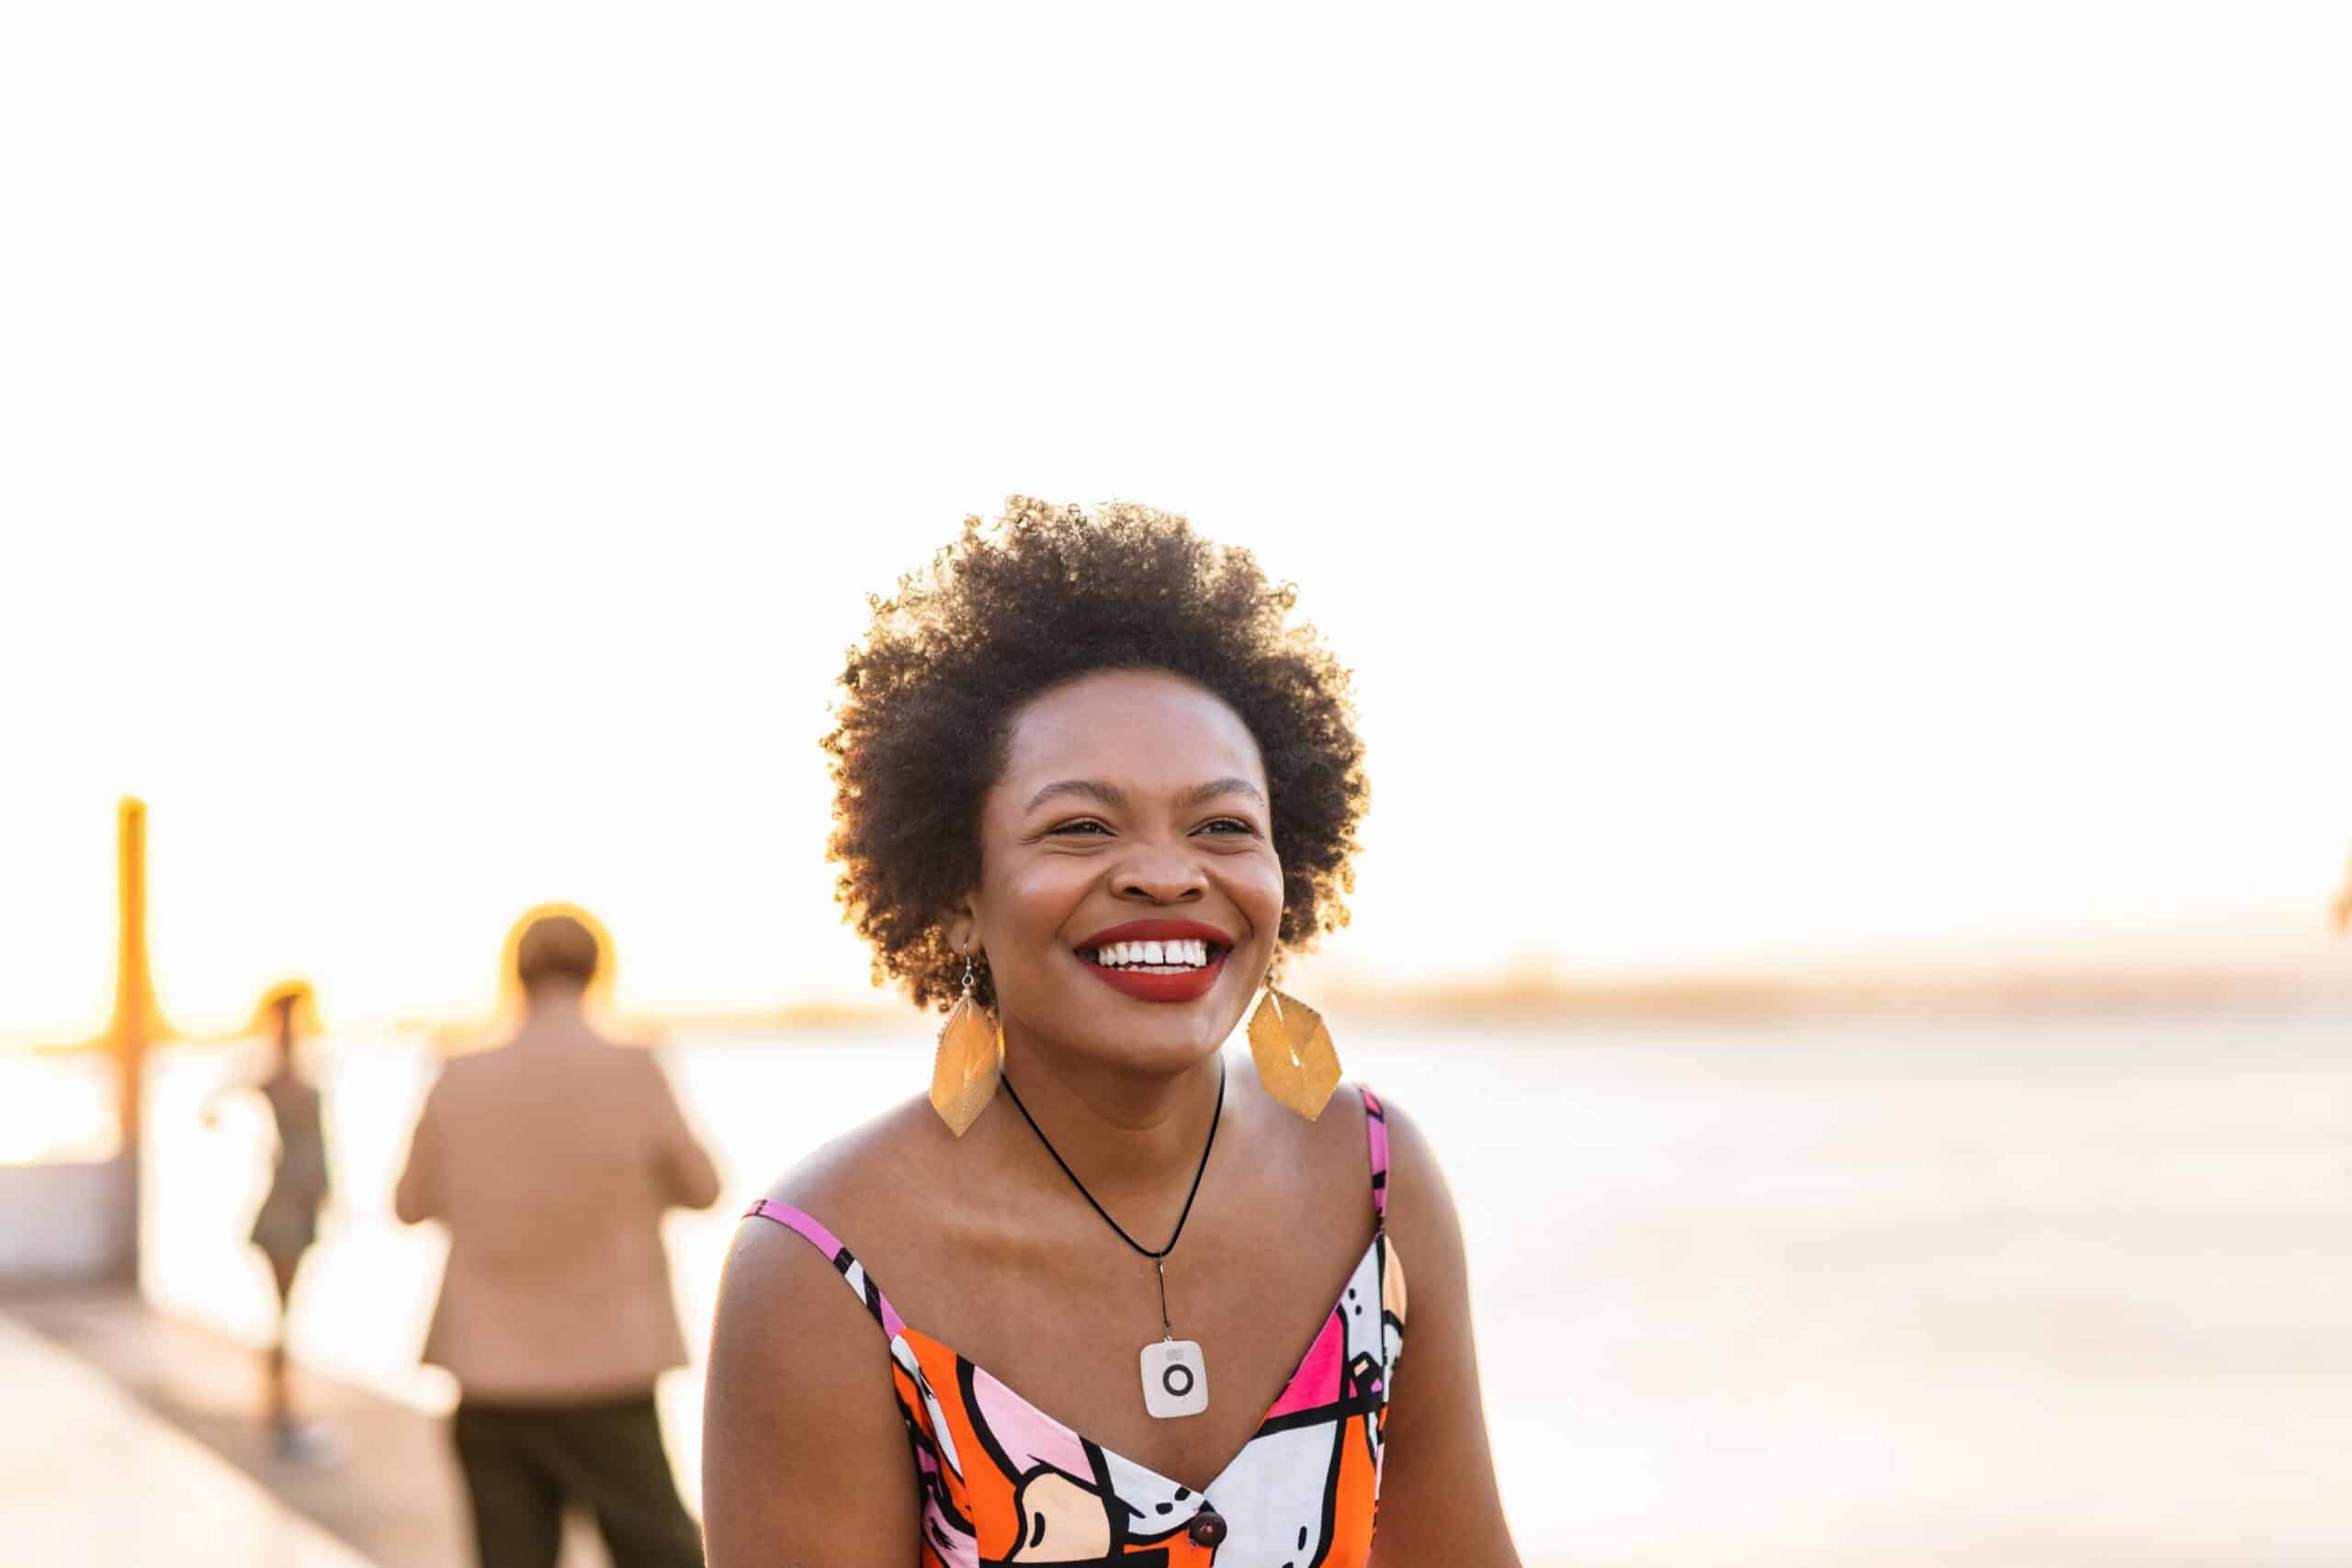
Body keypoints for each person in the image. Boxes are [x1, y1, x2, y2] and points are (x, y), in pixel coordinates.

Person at [704, 500, 1521, 1565]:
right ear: (957, 891)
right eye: (1081, 826)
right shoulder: (822, 1275)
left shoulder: (1374, 1180)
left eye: (1223, 827)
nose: (1168, 873)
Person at [396, 908, 720, 1568]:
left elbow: (409, 1204)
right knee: (661, 1554)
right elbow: (703, 1188)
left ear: (514, 975)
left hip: (487, 1372)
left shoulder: (457, 1074)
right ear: (599, 970)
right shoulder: (635, 1066)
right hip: (611, 1372)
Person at [209, 981, 334, 1463]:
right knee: (282, 1317)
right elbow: (219, 1101)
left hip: (298, 1207)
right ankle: (281, 1416)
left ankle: (282, 1413)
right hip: (286, 1210)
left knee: (285, 1316)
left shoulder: (293, 1073)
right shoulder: (281, 1075)